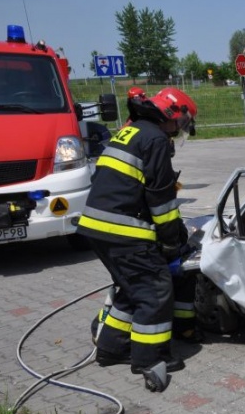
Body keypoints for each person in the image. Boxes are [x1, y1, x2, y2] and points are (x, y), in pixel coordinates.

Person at [76, 88, 198, 385]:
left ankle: (111, 349)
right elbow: (161, 202)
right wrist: (173, 241)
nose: (178, 130)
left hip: (98, 228)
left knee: (132, 289)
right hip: (124, 231)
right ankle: (150, 357)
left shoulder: (131, 132)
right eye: (181, 122)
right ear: (171, 115)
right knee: (155, 290)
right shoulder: (155, 140)